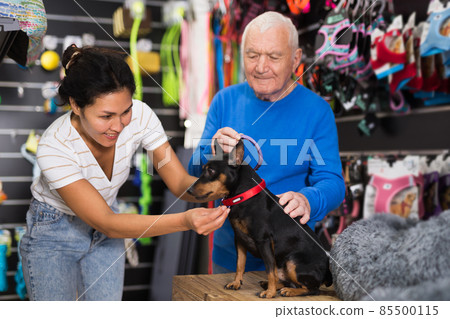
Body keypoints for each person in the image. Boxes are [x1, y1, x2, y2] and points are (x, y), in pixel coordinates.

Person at [19, 45, 230, 301]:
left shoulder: (141, 116)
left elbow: (179, 183)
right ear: (75, 105)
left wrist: (224, 179)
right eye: (106, 116)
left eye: (125, 111)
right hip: (55, 234)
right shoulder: (55, 146)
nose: (118, 126)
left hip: (108, 227)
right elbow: (107, 223)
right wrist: (185, 221)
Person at [188, 11, 345, 274]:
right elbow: (195, 170)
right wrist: (210, 151)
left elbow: (333, 183)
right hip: (231, 256)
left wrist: (309, 200)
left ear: (295, 59)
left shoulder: (317, 111)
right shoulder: (224, 100)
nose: (261, 67)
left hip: (290, 259)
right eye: (252, 55)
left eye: (273, 57)